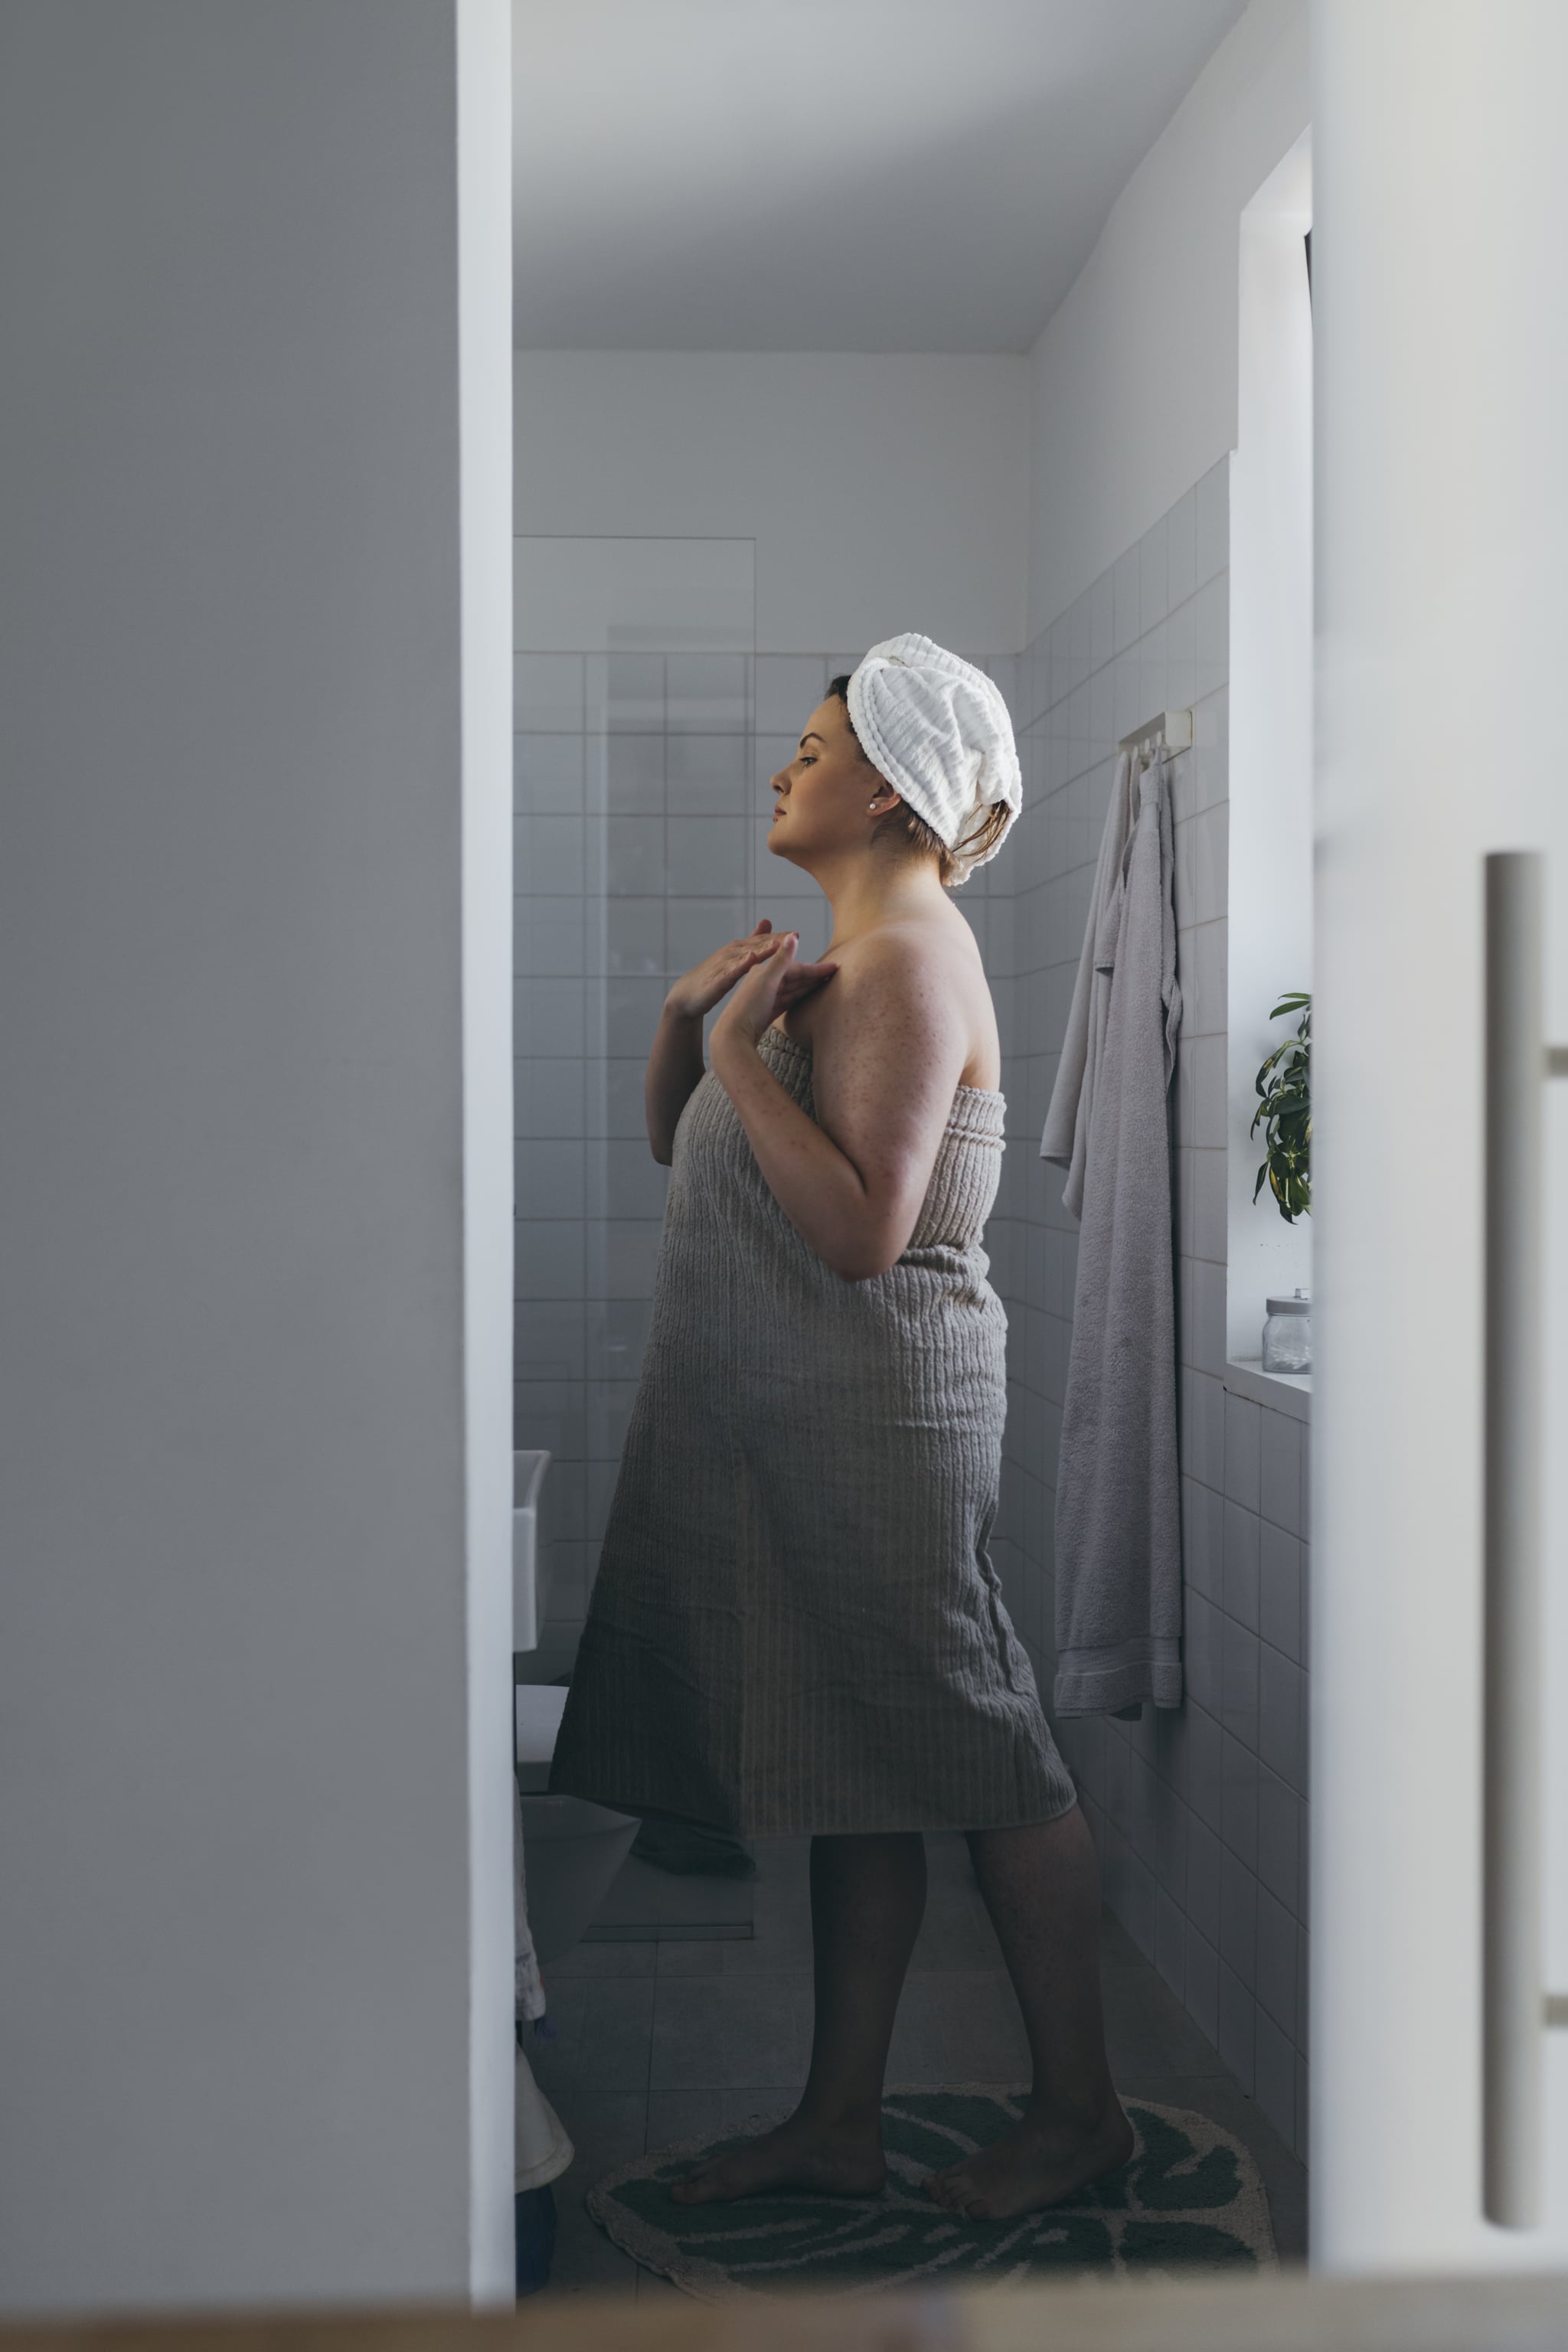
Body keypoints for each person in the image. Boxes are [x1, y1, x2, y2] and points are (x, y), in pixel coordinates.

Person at [549, 634, 1131, 2220]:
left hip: (882, 1425)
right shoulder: (854, 959)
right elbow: (692, 1147)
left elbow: (864, 1230)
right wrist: (691, 1025)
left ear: (886, 786)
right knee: (858, 1766)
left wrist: (737, 1047)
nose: (782, 769)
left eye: (811, 747)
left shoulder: (911, 959)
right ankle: (838, 2120)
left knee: (991, 1753)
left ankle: (1079, 2114)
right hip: (815, 1423)